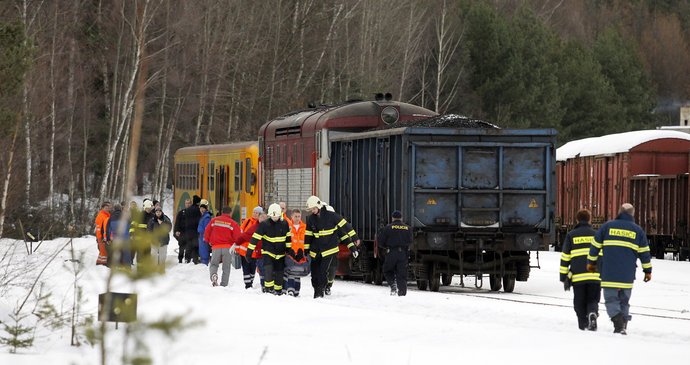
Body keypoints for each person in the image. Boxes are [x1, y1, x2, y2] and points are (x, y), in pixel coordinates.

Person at [587, 203, 652, 335]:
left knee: (611, 299)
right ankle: (623, 325)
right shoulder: (638, 231)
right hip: (627, 275)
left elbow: (594, 247)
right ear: (632, 214)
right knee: (624, 300)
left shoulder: (607, 226)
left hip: (609, 273)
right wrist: (648, 271)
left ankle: (618, 325)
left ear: (619, 212)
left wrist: (591, 263)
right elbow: (645, 253)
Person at [304, 195, 359, 298]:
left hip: (329, 250)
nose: (312, 211)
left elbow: (345, 232)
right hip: (316, 250)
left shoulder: (333, 217)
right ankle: (319, 289)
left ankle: (322, 291)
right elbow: (308, 235)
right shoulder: (311, 219)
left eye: (313, 209)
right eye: (311, 209)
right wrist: (306, 249)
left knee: (325, 271)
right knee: (315, 273)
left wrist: (354, 243)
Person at [559, 209, 600, 330]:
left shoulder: (571, 235)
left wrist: (563, 277)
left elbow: (565, 257)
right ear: (589, 219)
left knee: (579, 303)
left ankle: (583, 325)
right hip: (595, 276)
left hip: (578, 277)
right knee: (593, 299)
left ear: (577, 220)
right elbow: (602, 256)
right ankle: (592, 313)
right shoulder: (596, 235)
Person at [246, 203, 291, 295]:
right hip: (268, 252)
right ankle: (269, 289)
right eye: (273, 217)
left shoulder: (284, 223)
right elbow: (255, 238)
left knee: (279, 273)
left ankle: (278, 291)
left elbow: (288, 238)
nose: (275, 218)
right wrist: (249, 252)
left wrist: (289, 250)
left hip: (280, 253)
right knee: (268, 271)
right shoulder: (264, 225)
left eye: (276, 216)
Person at [377, 210, 413, 296]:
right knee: (402, 274)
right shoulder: (408, 228)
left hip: (391, 252)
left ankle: (393, 285)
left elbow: (380, 242)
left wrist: (386, 247)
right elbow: (410, 241)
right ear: (401, 218)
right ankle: (402, 293)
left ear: (392, 218)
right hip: (403, 254)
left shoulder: (387, 228)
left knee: (387, 270)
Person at [204, 206, 241, 287]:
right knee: (226, 267)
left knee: (214, 264)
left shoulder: (214, 220)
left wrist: (208, 241)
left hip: (215, 247)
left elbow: (207, 231)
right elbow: (238, 237)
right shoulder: (233, 223)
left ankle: (213, 275)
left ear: (222, 212)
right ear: (230, 213)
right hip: (228, 248)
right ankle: (224, 285)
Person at [236, 206, 264, 288]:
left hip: (255, 252)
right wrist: (237, 247)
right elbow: (241, 234)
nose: (255, 214)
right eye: (254, 212)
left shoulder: (261, 224)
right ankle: (248, 285)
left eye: (257, 213)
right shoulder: (247, 221)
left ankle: (250, 282)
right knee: (246, 268)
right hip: (244, 250)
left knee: (253, 268)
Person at [285, 208, 306, 296]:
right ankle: (290, 289)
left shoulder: (305, 227)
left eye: (299, 216)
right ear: (292, 217)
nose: (297, 218)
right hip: (291, 252)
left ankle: (297, 291)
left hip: (301, 253)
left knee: (298, 272)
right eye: (295, 216)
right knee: (290, 271)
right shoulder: (288, 226)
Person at [148, 206, 172, 272]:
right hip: (154, 242)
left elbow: (169, 228)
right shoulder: (152, 220)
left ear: (161, 212)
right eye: (157, 212)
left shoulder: (166, 219)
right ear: (155, 212)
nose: (158, 213)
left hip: (163, 241)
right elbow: (149, 230)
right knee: (154, 256)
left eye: (159, 212)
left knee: (162, 257)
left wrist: (162, 223)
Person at [183, 195, 203, 264]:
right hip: (195, 230)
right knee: (195, 245)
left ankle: (187, 258)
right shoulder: (198, 210)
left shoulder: (188, 210)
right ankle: (195, 259)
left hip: (188, 230)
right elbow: (198, 220)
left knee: (188, 245)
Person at [174, 198, 192, 263]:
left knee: (188, 247)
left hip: (190, 233)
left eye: (189, 203)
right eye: (186, 203)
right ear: (185, 204)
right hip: (182, 233)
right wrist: (176, 231)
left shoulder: (193, 213)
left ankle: (187, 259)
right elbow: (177, 223)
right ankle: (180, 259)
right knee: (181, 247)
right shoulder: (181, 213)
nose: (188, 205)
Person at [94, 201, 111, 266]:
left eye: (108, 207)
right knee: (103, 250)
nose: (107, 209)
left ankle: (100, 263)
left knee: (103, 251)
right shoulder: (101, 215)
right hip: (101, 237)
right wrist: (100, 237)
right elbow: (98, 228)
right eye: (106, 207)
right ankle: (101, 264)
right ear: (102, 208)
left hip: (106, 236)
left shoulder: (108, 215)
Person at [197, 199, 212, 265]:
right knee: (202, 250)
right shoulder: (204, 216)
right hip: (201, 235)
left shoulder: (206, 217)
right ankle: (204, 261)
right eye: (201, 208)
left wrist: (205, 236)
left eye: (203, 208)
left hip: (203, 236)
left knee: (204, 250)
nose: (202, 210)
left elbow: (207, 228)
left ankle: (205, 262)